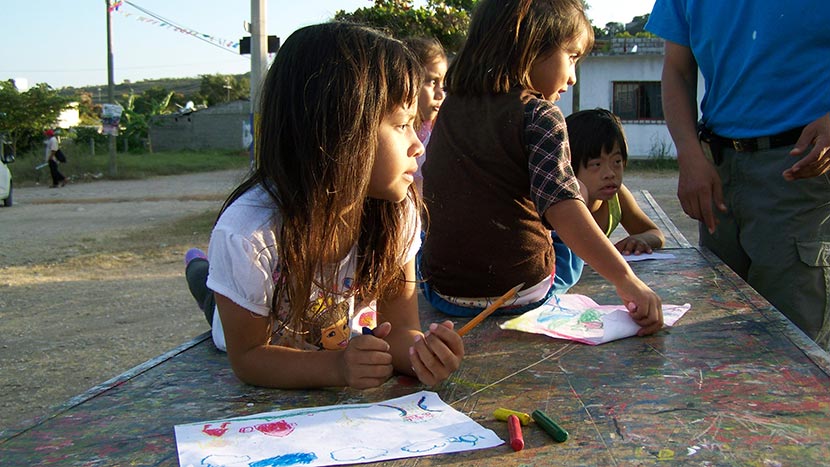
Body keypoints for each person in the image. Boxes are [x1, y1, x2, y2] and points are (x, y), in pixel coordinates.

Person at [185, 22, 464, 390]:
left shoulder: (396, 213)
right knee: (217, 311)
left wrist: (422, 353)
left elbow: (400, 331)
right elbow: (250, 356)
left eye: (415, 125)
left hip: (329, 335)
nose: (419, 145)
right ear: (338, 131)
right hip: (255, 321)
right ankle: (200, 271)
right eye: (400, 125)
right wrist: (336, 369)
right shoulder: (248, 235)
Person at [420, 0, 663, 336]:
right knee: (573, 195)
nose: (573, 78)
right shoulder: (539, 115)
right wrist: (627, 279)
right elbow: (564, 211)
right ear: (532, 46)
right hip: (521, 293)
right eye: (572, 57)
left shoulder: (448, 110)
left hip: (444, 294)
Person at [646, 1, 830, 349]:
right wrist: (688, 153)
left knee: (791, 342)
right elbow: (678, 69)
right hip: (716, 167)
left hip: (798, 168)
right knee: (718, 334)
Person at [552, 109, 666, 293]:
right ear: (568, 167)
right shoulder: (559, 205)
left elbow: (655, 233)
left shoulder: (617, 196)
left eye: (617, 162)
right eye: (596, 165)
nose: (610, 173)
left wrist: (640, 239)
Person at [403, 36, 448, 195]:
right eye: (432, 81)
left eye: (443, 84)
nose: (440, 94)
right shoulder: (393, 133)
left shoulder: (441, 130)